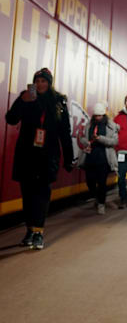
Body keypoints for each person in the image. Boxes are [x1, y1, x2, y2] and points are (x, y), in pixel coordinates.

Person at [5, 68, 74, 250]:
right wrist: (22, 101)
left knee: (42, 194)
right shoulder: (26, 97)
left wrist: (68, 158)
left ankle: (38, 232)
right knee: (27, 194)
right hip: (27, 154)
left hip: (48, 155)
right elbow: (11, 119)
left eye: (43, 81)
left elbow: (64, 132)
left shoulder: (59, 101)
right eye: (37, 81)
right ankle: (29, 230)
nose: (40, 84)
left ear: (49, 83)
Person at [78, 102, 118, 215]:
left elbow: (114, 141)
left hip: (104, 158)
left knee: (102, 183)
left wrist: (100, 138)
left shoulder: (110, 126)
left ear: (104, 115)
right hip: (90, 157)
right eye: (96, 116)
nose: (98, 118)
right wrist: (85, 141)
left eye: (100, 115)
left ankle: (101, 203)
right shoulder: (89, 125)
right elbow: (84, 139)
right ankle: (97, 197)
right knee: (90, 182)